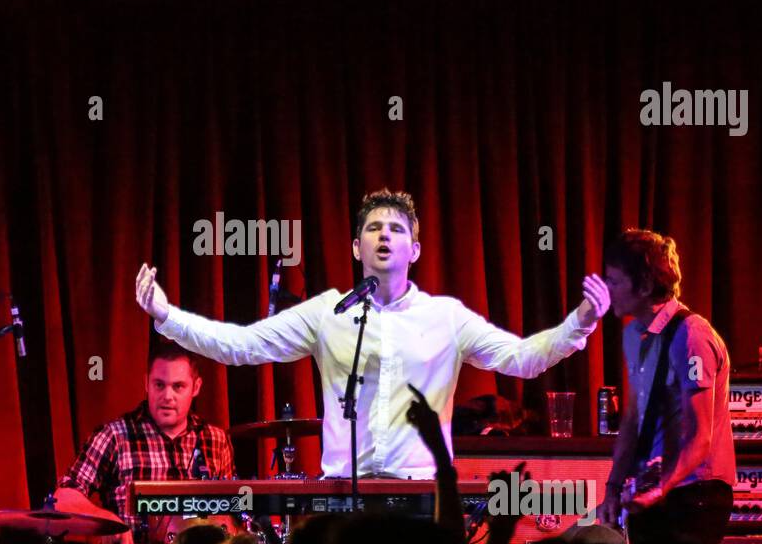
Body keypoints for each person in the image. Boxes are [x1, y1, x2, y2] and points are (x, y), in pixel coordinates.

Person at [136, 188, 609, 478]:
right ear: (356, 246)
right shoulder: (328, 313)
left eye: (397, 229)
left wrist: (579, 323)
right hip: (346, 495)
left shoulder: (445, 316)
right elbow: (241, 346)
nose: (385, 236)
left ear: (416, 248)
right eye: (374, 228)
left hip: (421, 493)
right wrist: (167, 315)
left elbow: (521, 359)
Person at [595, 229, 736, 544]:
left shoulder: (692, 336)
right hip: (657, 490)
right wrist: (614, 488)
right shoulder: (635, 334)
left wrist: (660, 489)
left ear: (644, 286)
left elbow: (700, 437)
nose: (608, 290)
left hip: (695, 493)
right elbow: (632, 419)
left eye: (614, 281)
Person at [53, 343, 236, 544]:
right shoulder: (114, 436)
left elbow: (229, 509)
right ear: (146, 383)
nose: (167, 396)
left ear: (196, 387)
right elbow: (63, 497)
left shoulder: (215, 439)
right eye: (159, 385)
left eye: (178, 386)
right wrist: (106, 520)